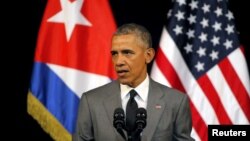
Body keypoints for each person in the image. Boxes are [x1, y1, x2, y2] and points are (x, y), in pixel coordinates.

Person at [73, 23, 194, 141]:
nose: (119, 61)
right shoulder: (91, 101)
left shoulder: (176, 102)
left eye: (127, 53)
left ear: (148, 55)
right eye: (115, 54)